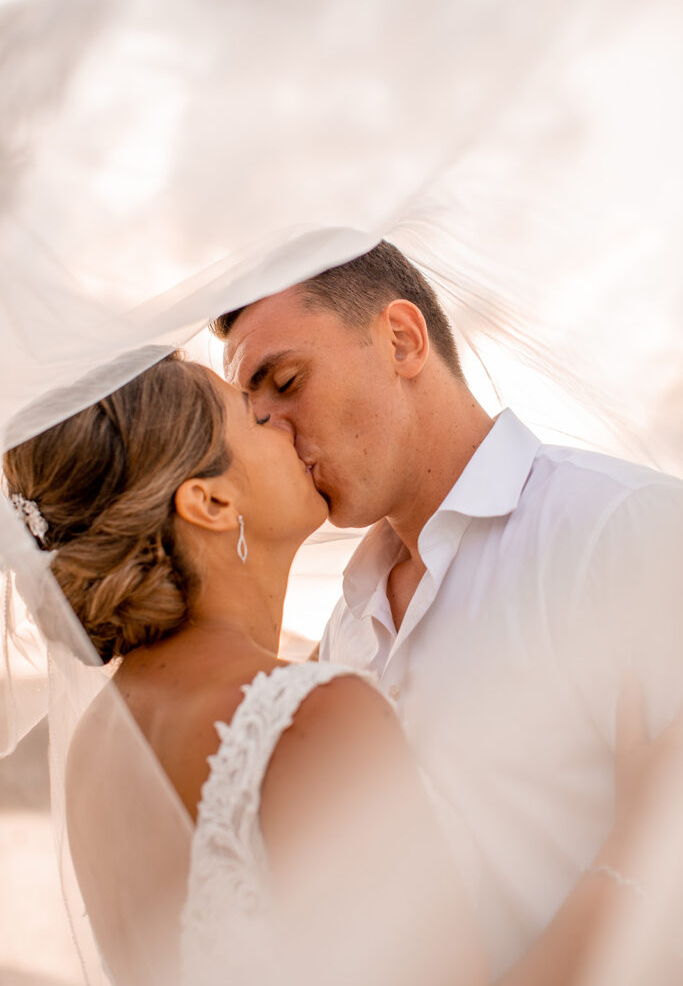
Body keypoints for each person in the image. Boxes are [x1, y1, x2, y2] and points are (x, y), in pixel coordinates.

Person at [4, 351, 683, 986]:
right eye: (250, 415)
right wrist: (633, 847)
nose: (281, 425)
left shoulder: (99, 743)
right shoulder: (305, 715)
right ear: (209, 503)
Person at [214, 240, 683, 976]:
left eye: (285, 382)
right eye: (253, 409)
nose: (269, 429)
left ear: (401, 340)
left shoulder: (620, 531)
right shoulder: (347, 622)